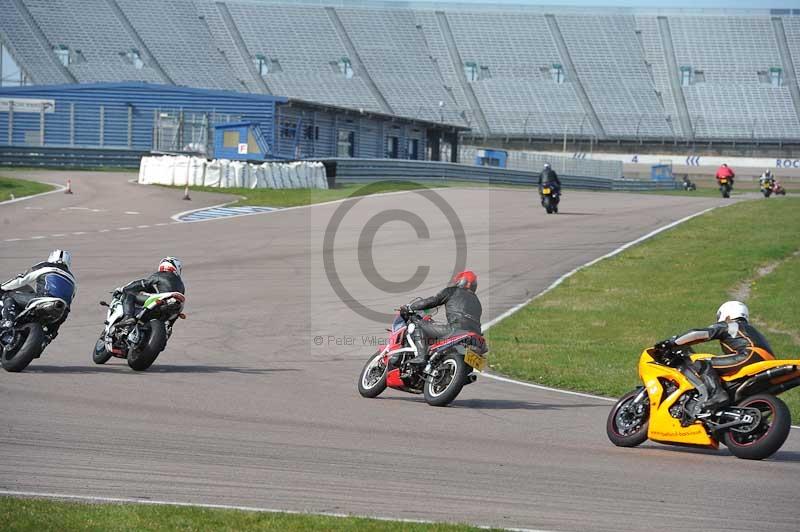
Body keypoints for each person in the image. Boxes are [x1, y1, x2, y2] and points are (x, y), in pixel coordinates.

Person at [655, 301, 774, 416]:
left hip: (749, 356)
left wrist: (671, 342)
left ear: (726, 314)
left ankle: (716, 395)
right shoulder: (751, 330)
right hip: (768, 361)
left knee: (700, 363)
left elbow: (698, 334)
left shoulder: (730, 324)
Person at [400, 270, 482, 367]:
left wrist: (410, 307)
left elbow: (432, 301)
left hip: (456, 329)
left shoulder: (452, 291)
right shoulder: (477, 302)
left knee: (418, 325)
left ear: (461, 281)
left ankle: (421, 357)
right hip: (476, 336)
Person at [0, 250, 76, 336]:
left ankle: (7, 322)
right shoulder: (73, 281)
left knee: (9, 296)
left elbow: (22, 279)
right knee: (48, 335)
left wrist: (3, 287)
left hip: (44, 299)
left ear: (51, 258)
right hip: (61, 312)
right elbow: (70, 300)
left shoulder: (46, 266)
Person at [118, 257, 185, 327]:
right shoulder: (181, 284)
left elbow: (144, 283)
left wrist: (124, 289)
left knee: (130, 294)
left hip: (162, 301)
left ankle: (127, 317)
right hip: (175, 307)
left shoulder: (161, 274)